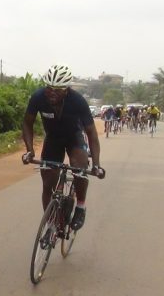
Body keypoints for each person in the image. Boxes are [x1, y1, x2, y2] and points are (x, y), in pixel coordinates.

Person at [21, 64, 105, 231]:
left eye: (58, 89)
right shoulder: (38, 97)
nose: (52, 92)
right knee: (48, 183)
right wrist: (30, 150)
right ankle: (51, 223)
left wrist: (96, 164)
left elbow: (92, 134)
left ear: (66, 89)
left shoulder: (78, 101)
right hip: (53, 139)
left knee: (79, 168)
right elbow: (27, 123)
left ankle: (80, 207)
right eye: (49, 88)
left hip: (74, 138)